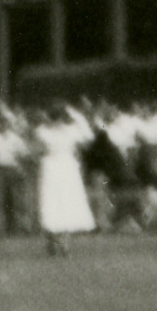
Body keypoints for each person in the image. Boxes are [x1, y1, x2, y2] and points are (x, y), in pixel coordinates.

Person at [34, 101, 97, 254]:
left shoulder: (42, 131)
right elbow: (89, 138)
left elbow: (36, 151)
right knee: (66, 202)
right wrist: (77, 116)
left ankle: (53, 239)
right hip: (66, 165)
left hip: (51, 165)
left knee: (51, 201)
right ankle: (63, 242)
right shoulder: (71, 130)